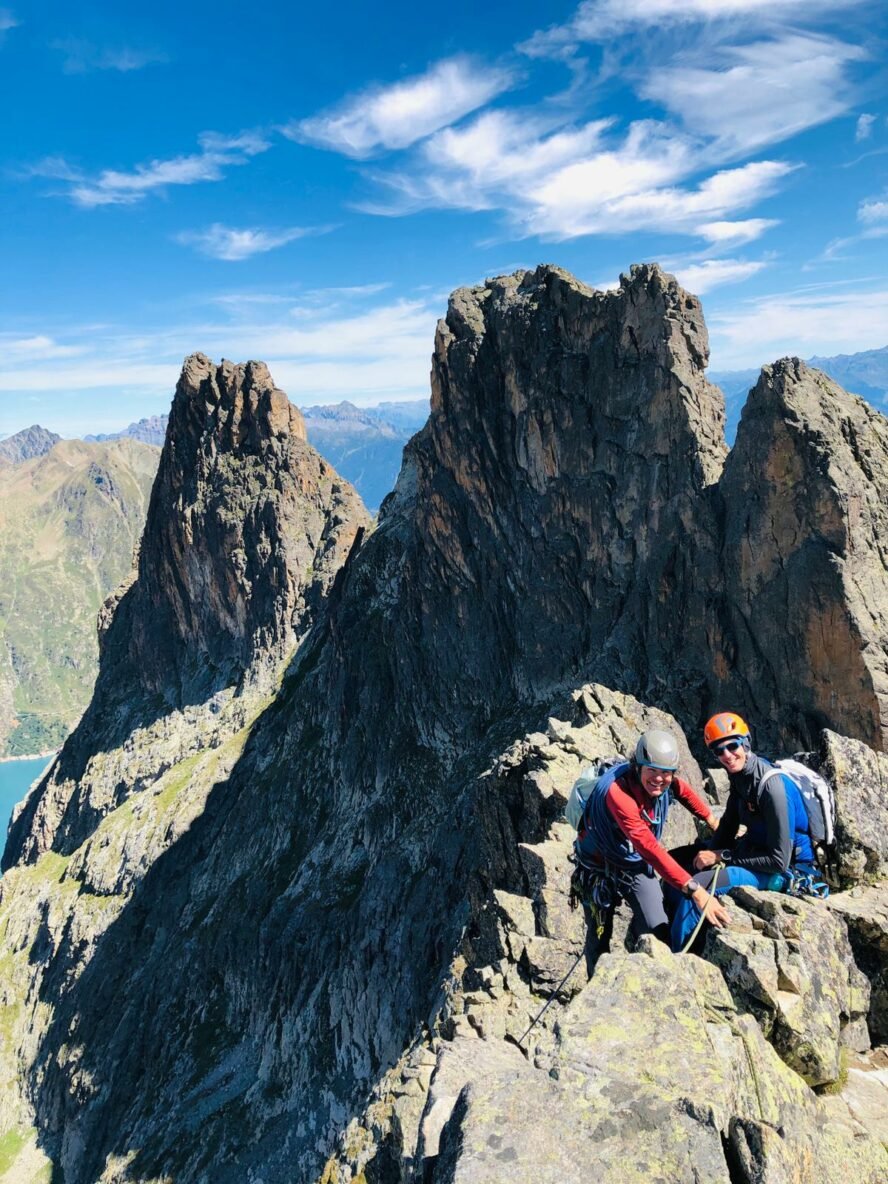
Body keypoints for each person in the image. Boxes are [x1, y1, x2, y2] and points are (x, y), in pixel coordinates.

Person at [574, 729, 730, 960]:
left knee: (657, 928)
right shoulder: (618, 794)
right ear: (637, 767)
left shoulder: (665, 783)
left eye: (666, 773)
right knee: (599, 937)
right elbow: (648, 848)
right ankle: (597, 985)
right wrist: (696, 891)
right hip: (597, 867)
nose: (659, 779)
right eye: (652, 771)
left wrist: (711, 819)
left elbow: (683, 791)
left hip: (633, 865)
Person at [669, 711, 818, 949]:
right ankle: (670, 924)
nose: (727, 755)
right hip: (755, 852)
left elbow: (779, 860)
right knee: (676, 862)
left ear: (746, 742)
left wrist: (721, 856)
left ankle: (678, 957)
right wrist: (705, 854)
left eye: (732, 745)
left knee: (699, 885)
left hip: (787, 871)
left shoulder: (773, 788)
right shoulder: (740, 780)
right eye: (719, 750)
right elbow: (727, 826)